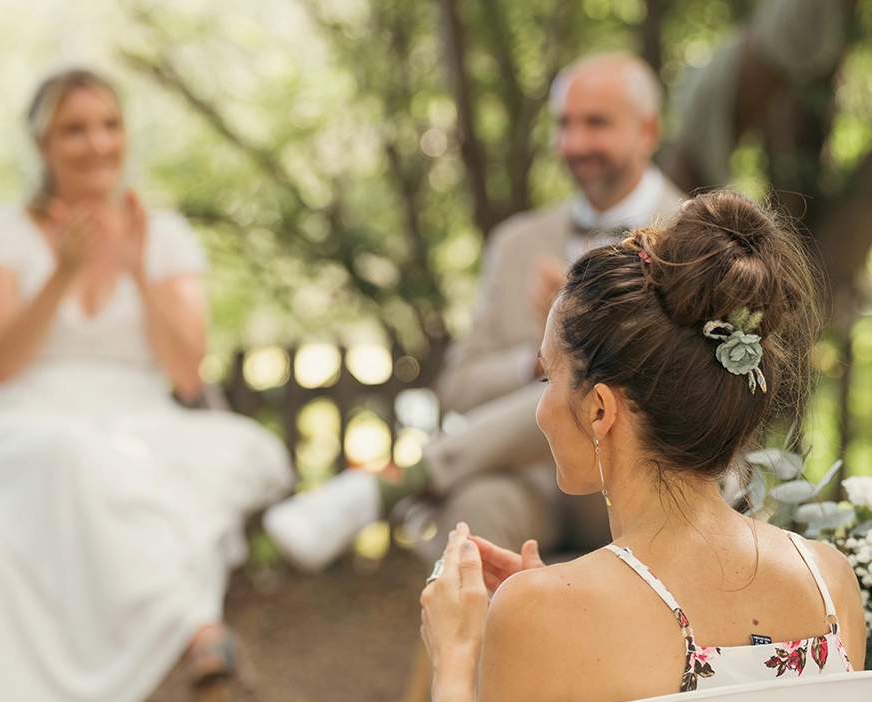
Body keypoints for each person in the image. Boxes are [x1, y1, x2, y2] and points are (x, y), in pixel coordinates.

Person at [232, 190, 867, 702]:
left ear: (600, 408)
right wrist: (554, 611)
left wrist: (460, 660)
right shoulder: (830, 581)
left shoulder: (550, 614)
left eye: (548, 377)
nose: (538, 407)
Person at [0, 69, 293, 702]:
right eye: (76, 128)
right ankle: (192, 626)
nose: (96, 143)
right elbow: (2, 361)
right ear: (43, 142)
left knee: (140, 471)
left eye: (109, 124)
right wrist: (66, 272)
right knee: (70, 458)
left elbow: (184, 371)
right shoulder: (0, 234)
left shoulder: (163, 235)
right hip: (20, 426)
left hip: (142, 421)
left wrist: (137, 268)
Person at [264, 52, 687, 571]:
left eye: (595, 123)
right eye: (564, 125)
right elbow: (460, 387)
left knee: (600, 378)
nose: (574, 144)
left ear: (648, 130)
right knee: (472, 520)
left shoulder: (692, 239)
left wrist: (583, 340)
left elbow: (686, 394)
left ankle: (404, 479)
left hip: (648, 480)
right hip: (536, 481)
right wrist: (542, 357)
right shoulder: (516, 244)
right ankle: (465, 650)